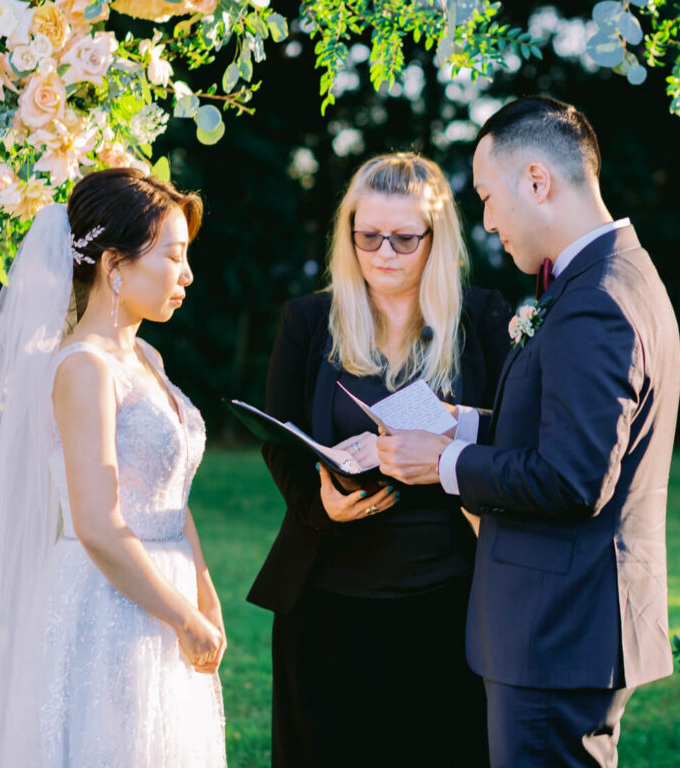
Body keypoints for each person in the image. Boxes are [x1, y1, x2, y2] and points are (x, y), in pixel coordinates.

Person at [0, 168, 227, 767]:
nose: (186, 275)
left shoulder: (147, 355)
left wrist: (204, 594)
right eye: (174, 256)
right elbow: (98, 524)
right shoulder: (84, 368)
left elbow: (170, 498)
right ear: (114, 264)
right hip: (109, 604)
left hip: (169, 592)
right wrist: (182, 616)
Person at [376, 97, 680, 767]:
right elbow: (576, 429)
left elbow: (573, 479)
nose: (486, 221)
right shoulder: (605, 277)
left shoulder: (597, 298)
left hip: (558, 628)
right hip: (565, 625)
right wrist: (474, 425)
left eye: (489, 196)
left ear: (537, 181)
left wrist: (446, 462)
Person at [248, 152, 512, 768]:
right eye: (367, 237)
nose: (384, 253)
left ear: (436, 238)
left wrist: (451, 438)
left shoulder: (485, 319)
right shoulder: (310, 320)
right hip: (326, 603)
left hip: (449, 598)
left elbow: (516, 433)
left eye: (404, 238)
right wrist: (319, 503)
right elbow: (277, 436)